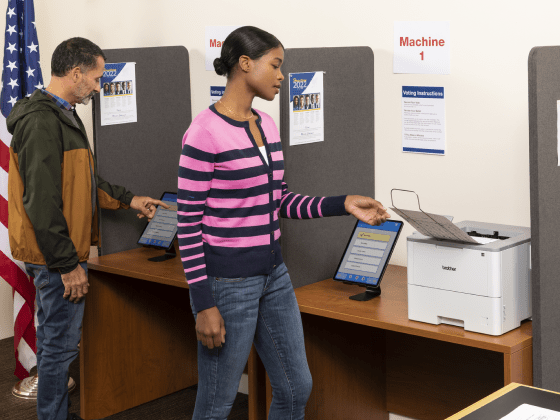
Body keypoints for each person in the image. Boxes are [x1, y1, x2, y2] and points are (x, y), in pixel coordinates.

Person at [177, 26, 389, 420]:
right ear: (244, 64)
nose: (280, 76)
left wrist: (345, 204)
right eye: (275, 65)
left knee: (296, 387)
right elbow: (188, 225)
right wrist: (203, 304)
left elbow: (281, 202)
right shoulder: (203, 133)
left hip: (274, 275)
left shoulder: (267, 126)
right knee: (217, 402)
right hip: (228, 284)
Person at [7, 37, 168, 420]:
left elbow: (80, 178)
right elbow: (42, 202)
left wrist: (129, 199)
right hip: (54, 257)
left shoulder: (61, 112)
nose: (98, 87)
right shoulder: (43, 121)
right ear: (76, 73)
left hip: (54, 254)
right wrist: (67, 265)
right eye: (95, 79)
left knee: (53, 345)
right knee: (59, 349)